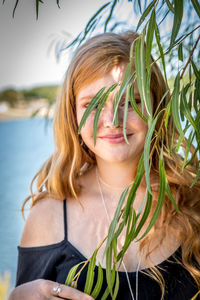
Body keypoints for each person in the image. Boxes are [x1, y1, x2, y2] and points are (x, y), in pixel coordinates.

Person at [9, 31, 200, 300]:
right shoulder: (48, 216)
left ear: (156, 107)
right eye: (93, 104)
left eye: (130, 101)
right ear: (73, 115)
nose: (112, 119)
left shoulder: (193, 199)